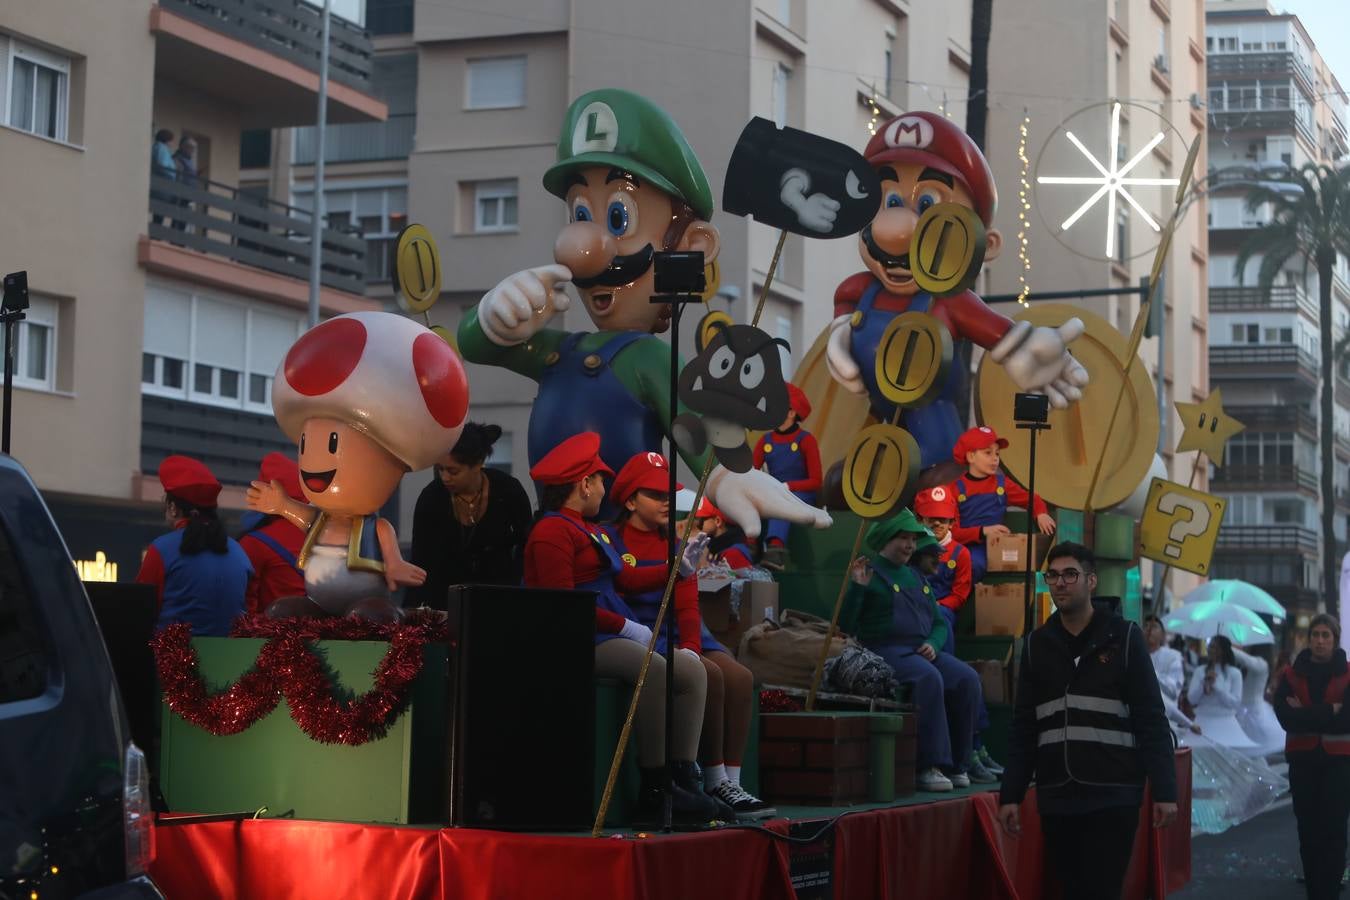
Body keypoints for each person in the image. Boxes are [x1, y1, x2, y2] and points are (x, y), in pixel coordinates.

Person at [457, 87, 828, 536]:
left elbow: (694, 426)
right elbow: (475, 347)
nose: (582, 251)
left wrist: (729, 474)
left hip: (621, 545)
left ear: (691, 246)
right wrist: (494, 318)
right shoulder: (561, 352)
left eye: (618, 218)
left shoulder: (648, 358)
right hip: (552, 536)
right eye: (579, 215)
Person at [523, 433, 720, 823]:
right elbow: (562, 603)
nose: (603, 488)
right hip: (579, 636)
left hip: (606, 630)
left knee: (692, 672)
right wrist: (626, 626)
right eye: (599, 480)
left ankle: (684, 778)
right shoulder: (552, 531)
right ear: (583, 484)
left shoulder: (587, 528)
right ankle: (655, 787)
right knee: (656, 669)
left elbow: (625, 580)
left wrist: (676, 570)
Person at [997, 542, 1177, 900]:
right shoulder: (1036, 646)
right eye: (1053, 575)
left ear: (1091, 581)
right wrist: (1010, 795)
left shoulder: (1124, 638)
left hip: (1114, 795)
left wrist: (1165, 791)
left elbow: (1151, 719)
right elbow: (1023, 728)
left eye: (1070, 574)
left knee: (1102, 891)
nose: (1060, 583)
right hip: (1057, 796)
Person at [607, 451, 774, 819]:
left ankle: (733, 779)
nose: (667, 501)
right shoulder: (612, 540)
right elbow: (617, 594)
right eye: (655, 495)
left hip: (683, 632)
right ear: (630, 500)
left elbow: (687, 606)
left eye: (669, 494)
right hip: (645, 632)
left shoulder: (676, 543)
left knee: (740, 677)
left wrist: (693, 648)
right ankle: (711, 778)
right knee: (710, 676)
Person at [841, 509, 982, 792]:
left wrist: (933, 643)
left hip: (922, 651)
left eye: (912, 540)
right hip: (883, 650)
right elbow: (846, 624)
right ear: (885, 540)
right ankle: (928, 766)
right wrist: (857, 589)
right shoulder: (868, 572)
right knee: (928, 678)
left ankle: (958, 763)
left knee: (966, 678)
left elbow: (940, 623)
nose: (909, 545)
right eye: (903, 538)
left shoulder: (917, 578)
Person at [408, 423, 532, 608]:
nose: (445, 478)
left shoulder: (508, 491)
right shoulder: (432, 498)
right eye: (440, 469)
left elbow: (527, 546)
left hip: (499, 599)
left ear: (479, 463)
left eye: (453, 471)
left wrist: (516, 589)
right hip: (443, 602)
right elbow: (420, 560)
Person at [1275, 614, 1350, 899]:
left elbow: (1346, 722)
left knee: (1334, 831)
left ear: (1334, 639)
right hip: (1303, 763)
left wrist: (1304, 713)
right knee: (1308, 830)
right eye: (1315, 635)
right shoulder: (1292, 675)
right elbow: (1285, 717)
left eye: (1325, 635)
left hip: (1339, 764)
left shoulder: (1348, 673)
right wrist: (1329, 711)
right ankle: (1315, 891)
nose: (1319, 641)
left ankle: (1329, 892)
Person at [136, 455, 252, 636]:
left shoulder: (161, 549)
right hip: (230, 660)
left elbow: (140, 611)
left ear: (173, 508)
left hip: (170, 661)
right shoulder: (239, 551)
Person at [948, 426, 1055, 582]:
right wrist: (983, 531)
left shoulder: (1002, 485)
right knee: (968, 564)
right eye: (988, 453)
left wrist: (1041, 513)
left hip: (996, 546)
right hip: (966, 547)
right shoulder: (954, 490)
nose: (995, 458)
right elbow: (952, 533)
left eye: (997, 453)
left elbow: (1031, 498)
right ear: (971, 456)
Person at [752, 383, 821, 570]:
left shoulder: (806, 440)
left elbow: (816, 481)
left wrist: (788, 486)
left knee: (782, 502)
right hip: (774, 492)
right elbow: (750, 472)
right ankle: (749, 547)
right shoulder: (765, 441)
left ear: (791, 412)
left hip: (801, 494)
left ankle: (776, 550)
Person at [238, 452, 306, 616]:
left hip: (272, 636)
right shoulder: (322, 535)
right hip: (323, 632)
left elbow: (245, 604)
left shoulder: (253, 543)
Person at [914, 485, 972, 652]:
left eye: (943, 518)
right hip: (914, 603)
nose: (937, 523)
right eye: (931, 518)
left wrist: (937, 605)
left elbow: (959, 595)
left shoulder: (961, 553)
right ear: (920, 520)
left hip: (943, 607)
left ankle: (944, 662)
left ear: (952, 523)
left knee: (942, 620)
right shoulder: (911, 548)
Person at [1188, 636, 1259, 753]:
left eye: (1216, 648)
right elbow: (1192, 699)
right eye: (1210, 646)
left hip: (1226, 724)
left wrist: (1218, 687)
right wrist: (1203, 683)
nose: (1211, 650)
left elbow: (1235, 703)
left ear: (1224, 651)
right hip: (1202, 723)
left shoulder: (1234, 673)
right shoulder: (1200, 671)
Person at [1144, 614, 1195, 734]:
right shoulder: (1135, 656)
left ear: (1162, 635)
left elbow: (1173, 691)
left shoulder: (1173, 657)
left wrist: (1151, 673)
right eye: (1145, 626)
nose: (1149, 629)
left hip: (1166, 725)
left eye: (1154, 626)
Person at [1232, 643, 1286, 756]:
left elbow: (1245, 659)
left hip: (1252, 712)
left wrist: (1227, 646)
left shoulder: (1261, 664)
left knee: (1249, 751)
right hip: (1243, 710)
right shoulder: (1252, 665)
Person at [693, 499, 756, 570]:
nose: (698, 524)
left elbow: (714, 580)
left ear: (718, 521)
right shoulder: (715, 546)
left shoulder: (733, 553)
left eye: (701, 520)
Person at [173, 136, 198, 234]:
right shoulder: (178, 158)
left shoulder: (189, 160)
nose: (192, 150)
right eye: (190, 147)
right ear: (182, 146)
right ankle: (176, 242)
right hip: (180, 194)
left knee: (183, 220)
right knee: (178, 219)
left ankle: (179, 242)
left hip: (187, 195)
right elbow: (177, 174)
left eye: (194, 148)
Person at [151, 129, 176, 226]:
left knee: (159, 214)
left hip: (162, 187)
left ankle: (156, 234)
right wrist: (173, 174)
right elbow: (162, 165)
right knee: (159, 214)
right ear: (167, 139)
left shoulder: (158, 147)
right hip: (162, 187)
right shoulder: (161, 148)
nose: (172, 143)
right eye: (171, 140)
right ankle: (156, 235)